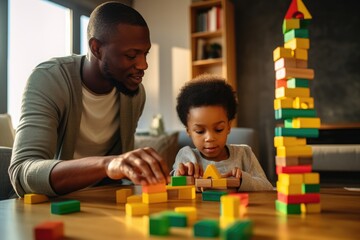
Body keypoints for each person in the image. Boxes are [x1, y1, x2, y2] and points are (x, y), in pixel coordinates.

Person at [8, 1, 169, 198]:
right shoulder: (49, 79)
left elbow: (115, 179)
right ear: (96, 48)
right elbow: (22, 173)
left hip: (102, 201)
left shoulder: (134, 94)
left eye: (145, 53)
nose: (143, 65)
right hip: (54, 204)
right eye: (131, 55)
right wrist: (109, 164)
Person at [172, 74, 273, 191]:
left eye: (218, 129)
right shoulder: (186, 156)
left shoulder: (244, 154)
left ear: (229, 126)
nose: (209, 138)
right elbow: (172, 188)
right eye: (200, 131)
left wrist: (241, 181)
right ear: (188, 131)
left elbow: (267, 188)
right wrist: (180, 176)